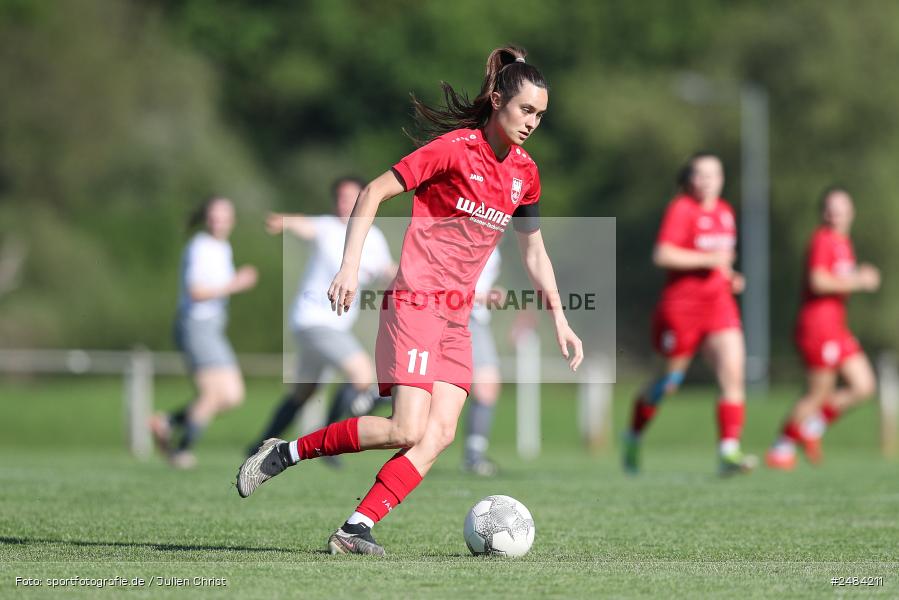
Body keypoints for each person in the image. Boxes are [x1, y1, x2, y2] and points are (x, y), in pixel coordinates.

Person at [236, 45, 583, 556]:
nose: (532, 122)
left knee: (438, 434)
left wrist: (561, 319)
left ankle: (355, 529)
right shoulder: (455, 148)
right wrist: (350, 266)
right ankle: (286, 452)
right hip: (417, 301)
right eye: (525, 109)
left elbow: (534, 251)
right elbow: (373, 191)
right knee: (406, 428)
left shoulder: (525, 173)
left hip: (458, 319)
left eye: (540, 115)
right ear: (496, 99)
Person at [622, 153, 756, 476]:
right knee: (667, 383)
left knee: (733, 373)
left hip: (719, 305)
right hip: (681, 309)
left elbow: (720, 261)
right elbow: (663, 254)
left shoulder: (725, 212)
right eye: (701, 174)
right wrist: (708, 260)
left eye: (714, 174)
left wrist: (729, 275)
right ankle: (633, 434)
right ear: (690, 179)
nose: (708, 181)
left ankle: (728, 451)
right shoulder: (681, 209)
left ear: (723, 178)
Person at [245, 177, 396, 463]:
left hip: (330, 326)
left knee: (304, 393)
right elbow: (303, 224)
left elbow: (387, 270)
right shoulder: (327, 227)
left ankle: (257, 447)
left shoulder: (373, 238)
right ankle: (329, 441)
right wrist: (284, 222)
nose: (344, 203)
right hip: (314, 321)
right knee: (362, 375)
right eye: (340, 197)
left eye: (351, 197)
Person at [766, 187, 879, 469]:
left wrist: (859, 276)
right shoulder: (822, 240)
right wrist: (859, 281)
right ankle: (781, 447)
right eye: (829, 207)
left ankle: (811, 429)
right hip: (816, 327)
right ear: (822, 212)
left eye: (841, 207)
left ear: (851, 212)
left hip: (837, 327)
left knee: (864, 386)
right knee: (818, 393)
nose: (835, 212)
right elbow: (818, 281)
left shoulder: (844, 242)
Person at [150, 197, 258, 468]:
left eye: (224, 215)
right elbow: (195, 291)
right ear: (206, 218)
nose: (218, 220)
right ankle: (181, 451)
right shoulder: (200, 247)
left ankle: (167, 422)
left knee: (233, 395)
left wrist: (234, 284)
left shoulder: (223, 247)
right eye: (214, 215)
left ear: (232, 220)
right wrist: (236, 284)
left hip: (212, 327)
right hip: (195, 326)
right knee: (212, 395)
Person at [462, 247, 503, 476]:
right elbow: (444, 282)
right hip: (455, 315)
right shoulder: (461, 228)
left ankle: (474, 455)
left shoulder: (493, 232)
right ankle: (371, 396)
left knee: (487, 386)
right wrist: (485, 296)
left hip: (476, 318)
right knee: (426, 387)